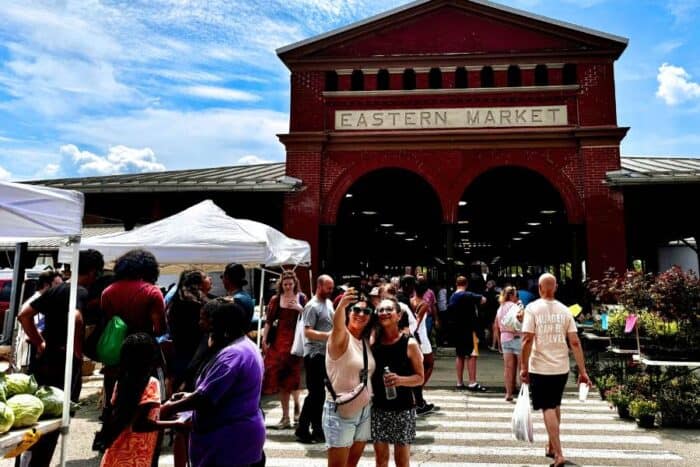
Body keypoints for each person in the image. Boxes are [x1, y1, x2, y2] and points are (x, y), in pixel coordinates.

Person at [19, 249, 104, 467]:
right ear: (94, 272)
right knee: (56, 421)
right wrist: (76, 351)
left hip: (45, 361)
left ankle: (25, 462)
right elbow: (75, 317)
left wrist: (39, 342)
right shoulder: (80, 291)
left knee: (36, 417)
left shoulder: (56, 290)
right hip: (62, 365)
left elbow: (23, 315)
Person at [160, 297, 265, 467]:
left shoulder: (232, 355)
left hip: (229, 442)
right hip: (235, 438)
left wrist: (169, 408)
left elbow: (205, 398)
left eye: (207, 321)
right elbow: (220, 391)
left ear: (221, 326)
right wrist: (188, 396)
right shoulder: (244, 346)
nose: (203, 325)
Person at [520, 273, 592, 467]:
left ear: (539, 288)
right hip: (561, 367)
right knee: (555, 405)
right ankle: (551, 446)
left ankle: (559, 453)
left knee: (548, 407)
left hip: (540, 366)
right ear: (556, 287)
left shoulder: (532, 309)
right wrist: (583, 371)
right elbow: (575, 342)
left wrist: (523, 366)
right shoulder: (565, 311)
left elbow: (527, 339)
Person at [99, 333, 186, 466]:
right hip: (136, 457)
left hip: (115, 456)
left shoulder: (121, 382)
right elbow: (140, 424)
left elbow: (134, 413)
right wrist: (175, 423)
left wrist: (169, 404)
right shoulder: (151, 383)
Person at [101, 249, 166, 418]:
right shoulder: (152, 291)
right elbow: (159, 328)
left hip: (116, 350)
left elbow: (108, 322)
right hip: (143, 351)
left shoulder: (108, 292)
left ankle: (110, 416)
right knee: (146, 396)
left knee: (115, 391)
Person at [323, 288, 375, 467]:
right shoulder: (341, 336)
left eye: (366, 311)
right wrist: (342, 305)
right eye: (356, 310)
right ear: (348, 312)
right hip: (341, 409)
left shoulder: (365, 340)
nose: (361, 314)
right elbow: (337, 324)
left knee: (352, 464)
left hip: (364, 407)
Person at [371, 297, 424, 467]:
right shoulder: (373, 343)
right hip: (378, 407)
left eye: (389, 310)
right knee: (381, 461)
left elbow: (420, 378)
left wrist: (400, 380)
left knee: (402, 461)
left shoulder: (409, 344)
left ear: (399, 316)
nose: (384, 313)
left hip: (403, 408)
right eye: (381, 310)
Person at [262, 270, 307, 429]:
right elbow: (269, 321)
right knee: (281, 381)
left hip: (296, 343)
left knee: (293, 379)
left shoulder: (302, 298)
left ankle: (296, 405)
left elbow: (308, 318)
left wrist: (300, 308)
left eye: (290, 284)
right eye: (285, 284)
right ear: (281, 284)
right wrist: (264, 338)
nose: (288, 287)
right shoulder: (275, 300)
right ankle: (285, 417)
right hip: (279, 343)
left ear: (295, 284)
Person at [295, 274, 335, 444]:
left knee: (318, 395)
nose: (331, 291)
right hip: (314, 355)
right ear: (319, 286)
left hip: (325, 354)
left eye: (332, 288)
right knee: (316, 394)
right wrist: (329, 336)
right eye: (328, 288)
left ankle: (311, 428)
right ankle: (308, 429)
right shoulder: (312, 306)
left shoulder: (328, 303)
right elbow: (308, 331)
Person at [14, 270, 63, 370]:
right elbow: (36, 330)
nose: (60, 289)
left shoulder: (39, 300)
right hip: (29, 356)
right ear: (46, 285)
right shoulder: (37, 303)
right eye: (57, 285)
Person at [448, 275, 487, 391]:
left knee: (459, 355)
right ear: (466, 284)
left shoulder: (453, 297)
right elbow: (483, 299)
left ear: (456, 284)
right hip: (470, 330)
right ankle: (472, 382)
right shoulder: (468, 295)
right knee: (472, 355)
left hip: (457, 329)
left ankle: (459, 382)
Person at [493, 286, 523, 402]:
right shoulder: (516, 307)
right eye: (516, 295)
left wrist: (497, 342)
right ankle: (522, 393)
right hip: (517, 337)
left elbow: (496, 325)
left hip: (504, 338)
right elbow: (521, 321)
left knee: (508, 368)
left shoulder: (500, 308)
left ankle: (508, 393)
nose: (517, 297)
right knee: (522, 367)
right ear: (511, 295)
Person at [410, 281, 435, 416]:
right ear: (425, 292)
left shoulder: (410, 301)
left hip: (416, 337)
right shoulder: (424, 304)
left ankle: (417, 394)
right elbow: (418, 322)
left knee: (417, 367)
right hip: (421, 338)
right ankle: (417, 390)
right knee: (429, 365)